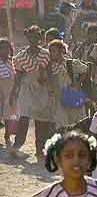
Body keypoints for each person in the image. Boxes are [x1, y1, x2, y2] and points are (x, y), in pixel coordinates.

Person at [34, 131, 97, 197]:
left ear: (89, 159)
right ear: (58, 160)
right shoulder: (49, 195)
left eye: (82, 155)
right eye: (69, 155)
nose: (76, 160)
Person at [10, 26, 53, 160]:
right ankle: (17, 145)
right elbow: (18, 76)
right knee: (24, 118)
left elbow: (50, 72)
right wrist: (14, 92)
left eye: (36, 36)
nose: (33, 39)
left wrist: (49, 86)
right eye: (31, 36)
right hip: (26, 89)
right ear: (27, 38)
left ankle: (39, 149)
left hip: (43, 89)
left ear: (40, 38)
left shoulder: (46, 54)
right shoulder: (21, 56)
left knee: (41, 121)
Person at [47, 39, 89, 130]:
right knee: (62, 125)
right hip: (59, 99)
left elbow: (86, 70)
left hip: (73, 95)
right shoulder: (50, 66)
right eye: (50, 51)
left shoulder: (70, 63)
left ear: (61, 50)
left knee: (77, 124)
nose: (51, 53)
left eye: (53, 50)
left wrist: (78, 83)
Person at [0, 38, 15, 146]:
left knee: (9, 116)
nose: (4, 50)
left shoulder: (13, 61)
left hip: (11, 90)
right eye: (2, 48)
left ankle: (7, 136)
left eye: (6, 48)